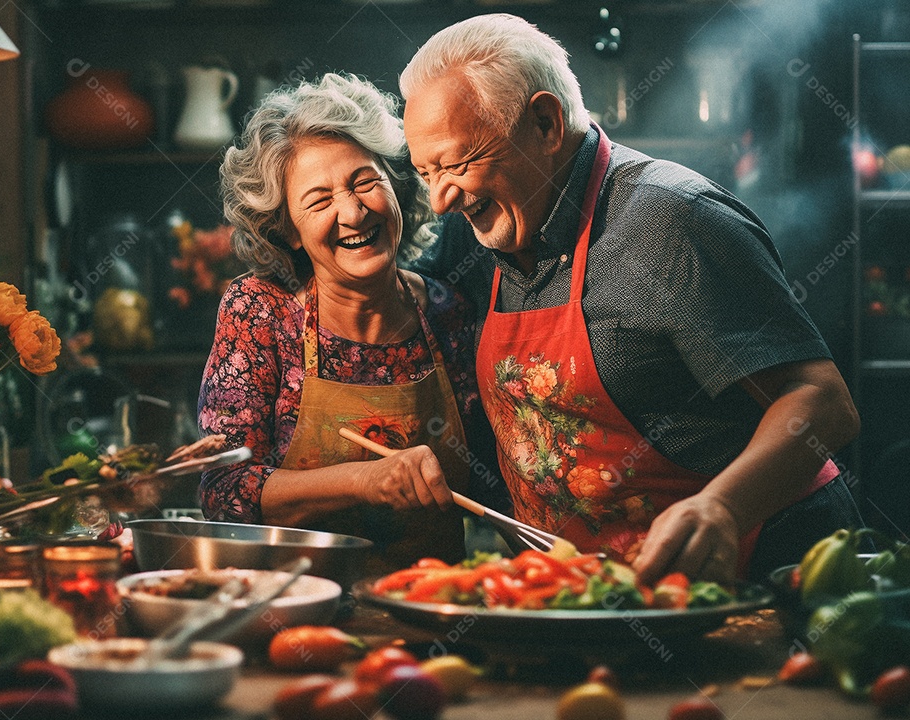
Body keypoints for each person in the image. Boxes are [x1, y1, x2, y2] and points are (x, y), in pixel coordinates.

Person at [399, 13, 863, 584]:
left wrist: (724, 507)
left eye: (456, 163)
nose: (442, 199)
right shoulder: (481, 223)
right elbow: (401, 290)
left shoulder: (673, 220)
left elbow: (821, 400)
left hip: (750, 575)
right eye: (425, 172)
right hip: (588, 593)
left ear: (545, 124)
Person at [197, 72, 504, 572]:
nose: (354, 212)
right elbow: (223, 492)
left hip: (432, 608)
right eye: (319, 201)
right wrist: (362, 480)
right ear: (289, 231)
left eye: (366, 182)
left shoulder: (449, 313)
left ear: (398, 188)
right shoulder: (260, 311)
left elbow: (491, 475)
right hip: (297, 612)